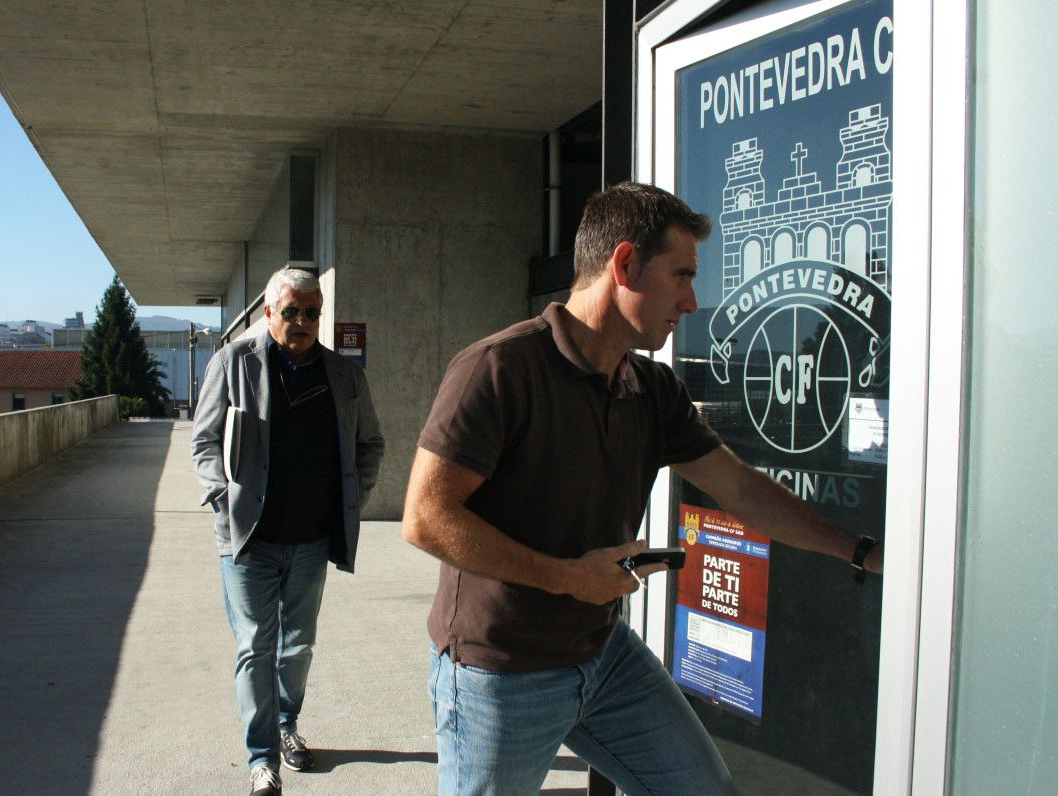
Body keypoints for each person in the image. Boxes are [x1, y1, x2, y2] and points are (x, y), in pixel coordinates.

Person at [402, 182, 883, 795]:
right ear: (624, 264)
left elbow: (741, 488)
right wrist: (571, 577)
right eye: (681, 275)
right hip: (501, 671)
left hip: (603, 657)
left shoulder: (653, 390)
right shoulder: (498, 370)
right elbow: (424, 516)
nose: (691, 301)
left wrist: (859, 550)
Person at [191, 266, 384, 796]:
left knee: (296, 647)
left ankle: (286, 725)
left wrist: (352, 499)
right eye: (292, 311)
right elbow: (203, 441)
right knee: (256, 644)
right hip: (248, 537)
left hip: (311, 539)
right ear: (269, 312)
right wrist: (219, 496)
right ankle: (261, 759)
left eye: (312, 312)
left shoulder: (344, 377)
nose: (302, 321)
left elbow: (371, 445)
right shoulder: (233, 363)